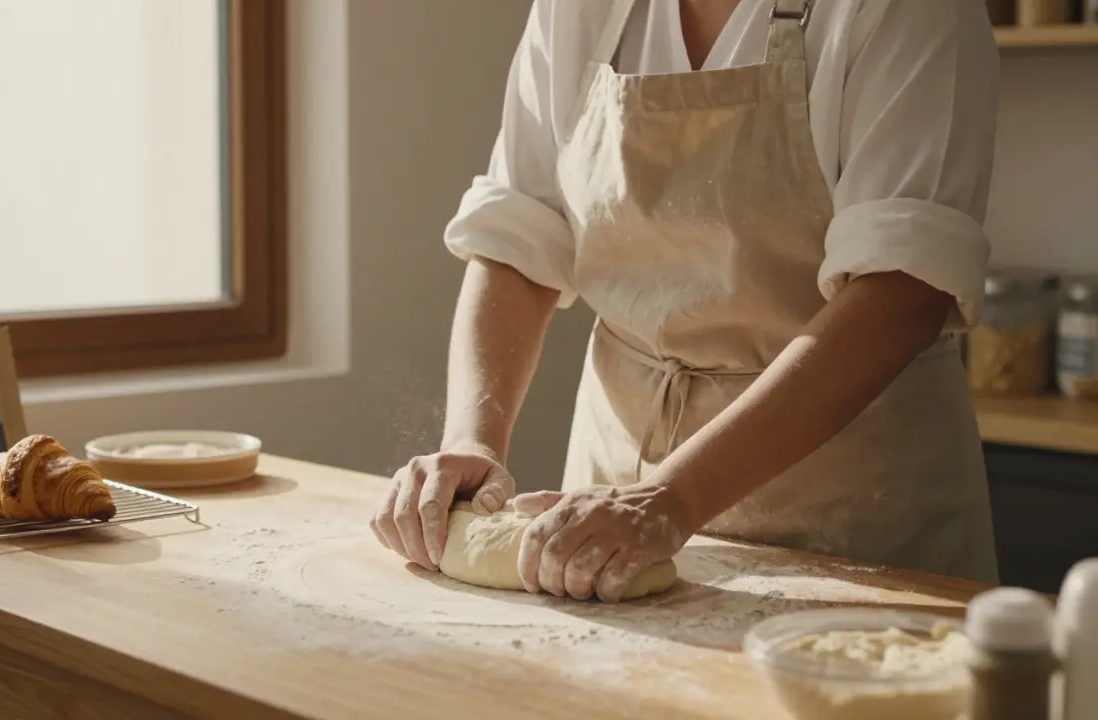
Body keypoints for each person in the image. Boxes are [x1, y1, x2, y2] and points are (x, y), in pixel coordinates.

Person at [371, 0, 1002, 603]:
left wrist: (671, 497)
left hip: (854, 510)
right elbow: (519, 235)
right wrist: (475, 439)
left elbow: (900, 293)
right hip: (615, 494)